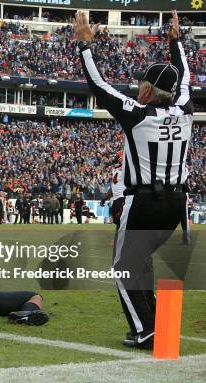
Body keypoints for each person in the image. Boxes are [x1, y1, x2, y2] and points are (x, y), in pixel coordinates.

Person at [73, 11, 193, 349]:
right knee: (141, 261)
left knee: (124, 264)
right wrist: (176, 42)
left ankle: (146, 330)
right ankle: (159, 325)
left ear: (149, 90)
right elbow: (183, 77)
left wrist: (84, 46)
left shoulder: (139, 114)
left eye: (143, 84)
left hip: (143, 202)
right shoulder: (185, 110)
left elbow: (99, 86)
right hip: (176, 205)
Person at [100, 151, 125, 228]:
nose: (118, 159)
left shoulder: (126, 168)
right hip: (115, 198)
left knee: (120, 221)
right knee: (116, 222)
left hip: (122, 197)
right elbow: (113, 187)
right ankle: (119, 239)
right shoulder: (115, 170)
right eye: (118, 157)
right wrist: (104, 198)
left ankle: (121, 239)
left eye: (119, 157)